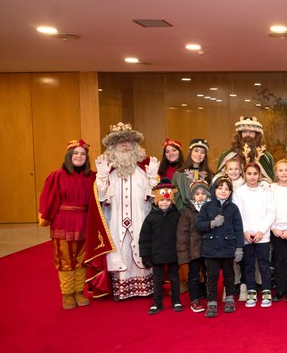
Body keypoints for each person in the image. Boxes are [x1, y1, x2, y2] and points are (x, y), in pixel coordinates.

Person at [89, 123, 159, 300]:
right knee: (119, 251)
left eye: (128, 142)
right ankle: (121, 288)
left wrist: (152, 178)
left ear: (135, 146)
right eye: (120, 142)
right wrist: (101, 177)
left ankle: (143, 287)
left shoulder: (143, 171)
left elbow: (154, 199)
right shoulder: (108, 172)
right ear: (112, 147)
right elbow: (101, 199)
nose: (125, 145)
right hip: (115, 220)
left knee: (140, 247)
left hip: (140, 219)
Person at [39, 139, 95, 309]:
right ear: (69, 156)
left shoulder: (92, 176)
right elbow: (49, 198)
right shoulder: (57, 175)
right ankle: (67, 294)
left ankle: (79, 292)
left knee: (82, 259)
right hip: (63, 222)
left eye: (83, 154)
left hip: (85, 221)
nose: (79, 156)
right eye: (75, 153)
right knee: (65, 258)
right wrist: (46, 217)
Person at [195, 177, 244, 318]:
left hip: (228, 248)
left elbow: (238, 229)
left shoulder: (233, 208)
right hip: (211, 249)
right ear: (214, 190)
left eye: (227, 189)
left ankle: (229, 298)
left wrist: (239, 248)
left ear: (230, 192)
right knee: (212, 277)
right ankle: (211, 302)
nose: (223, 191)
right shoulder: (206, 207)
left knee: (229, 275)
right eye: (220, 188)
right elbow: (198, 225)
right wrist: (211, 223)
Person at [232, 162, 275, 308]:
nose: (252, 177)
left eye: (255, 174)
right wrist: (244, 231)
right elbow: (237, 214)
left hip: (262, 235)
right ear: (244, 174)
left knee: (264, 264)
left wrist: (261, 231)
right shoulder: (239, 192)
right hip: (246, 235)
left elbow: (271, 212)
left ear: (259, 175)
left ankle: (266, 290)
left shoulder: (266, 191)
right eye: (249, 173)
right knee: (248, 264)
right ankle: (251, 290)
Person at [139, 179, 182, 314]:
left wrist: (182, 252)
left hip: (173, 253)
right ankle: (157, 302)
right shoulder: (150, 218)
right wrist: (145, 255)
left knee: (174, 278)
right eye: (162, 200)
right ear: (157, 200)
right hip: (156, 254)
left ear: (172, 201)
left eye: (168, 200)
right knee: (157, 279)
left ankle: (176, 300)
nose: (165, 202)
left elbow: (182, 235)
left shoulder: (177, 215)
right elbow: (144, 238)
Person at [176, 179, 209, 312]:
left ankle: (209, 295)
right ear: (192, 196)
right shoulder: (188, 212)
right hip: (194, 250)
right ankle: (194, 299)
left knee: (208, 274)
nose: (200, 196)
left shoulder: (211, 210)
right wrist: (183, 254)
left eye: (203, 193)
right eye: (197, 194)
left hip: (208, 249)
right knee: (194, 275)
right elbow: (182, 235)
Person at [270, 159, 287, 302]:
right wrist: (273, 227)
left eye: (286, 170)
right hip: (275, 229)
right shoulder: (271, 188)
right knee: (279, 260)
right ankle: (280, 289)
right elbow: (268, 209)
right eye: (280, 170)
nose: (284, 173)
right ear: (276, 173)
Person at [217, 116, 275, 182]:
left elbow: (271, 180)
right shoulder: (228, 156)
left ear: (257, 135)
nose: (248, 134)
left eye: (252, 132)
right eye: (244, 131)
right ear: (239, 134)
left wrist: (263, 182)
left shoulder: (266, 157)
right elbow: (219, 178)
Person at [172, 139, 213, 211]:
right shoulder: (178, 174)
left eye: (202, 152)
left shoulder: (210, 175)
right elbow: (176, 197)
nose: (199, 154)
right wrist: (187, 212)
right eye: (196, 151)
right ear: (190, 152)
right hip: (185, 213)